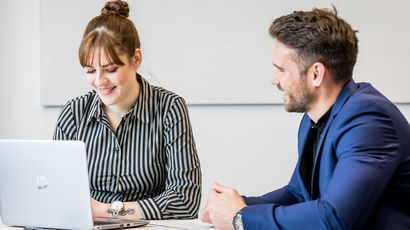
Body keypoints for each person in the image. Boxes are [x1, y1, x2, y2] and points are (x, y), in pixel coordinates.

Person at [201, 6, 410, 230]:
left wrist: (240, 218)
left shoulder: (368, 119)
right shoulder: (315, 117)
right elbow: (298, 193)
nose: (274, 79)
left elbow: (334, 218)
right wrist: (230, 206)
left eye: (281, 69)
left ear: (316, 74)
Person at [53, 0, 201, 220]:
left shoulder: (169, 108)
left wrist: (108, 211)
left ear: (136, 59)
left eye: (110, 69)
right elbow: (57, 194)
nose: (99, 82)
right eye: (90, 71)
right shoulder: (73, 113)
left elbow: (185, 200)